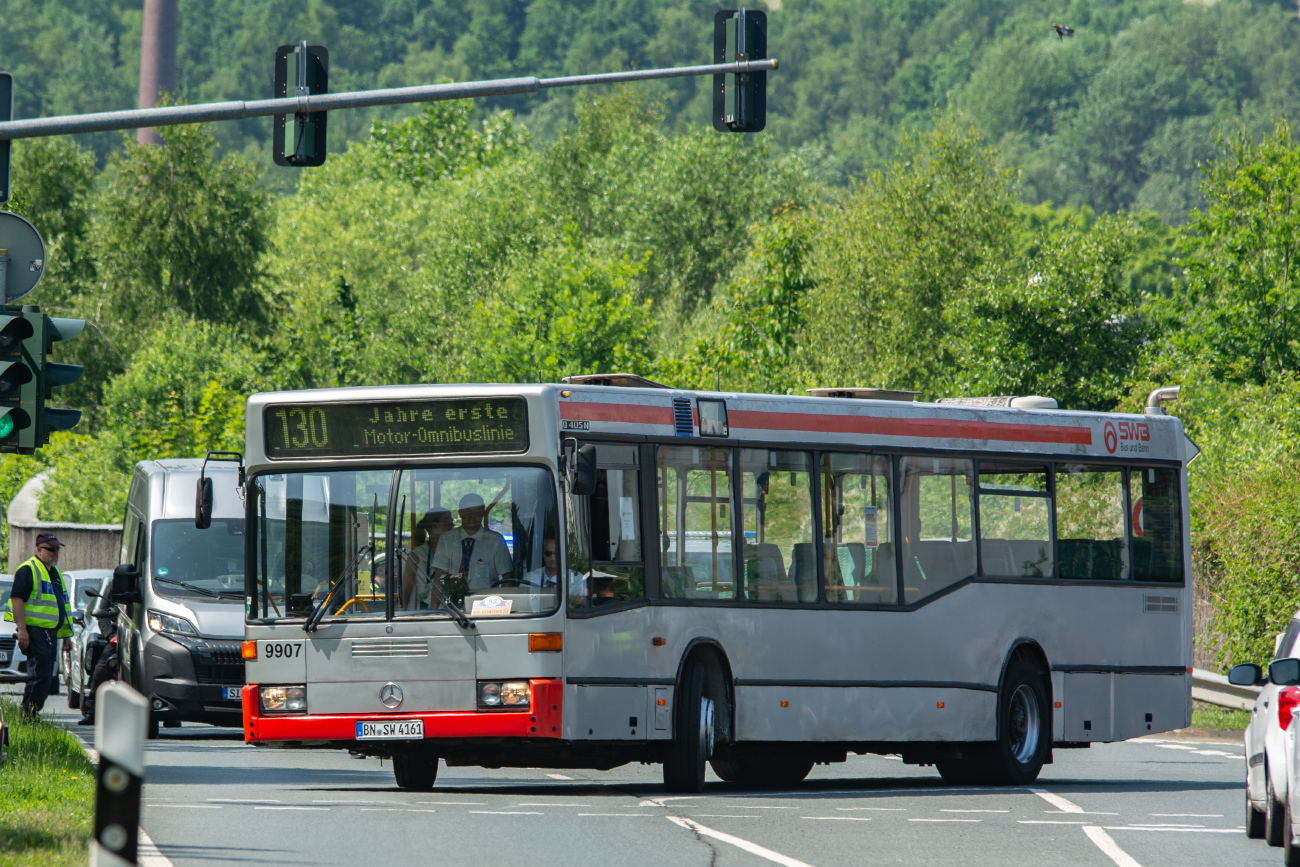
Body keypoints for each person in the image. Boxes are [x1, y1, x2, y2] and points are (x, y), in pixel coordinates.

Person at [4, 533, 72, 716]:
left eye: (57, 549)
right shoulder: (28, 569)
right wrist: (23, 631)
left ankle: (32, 714)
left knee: (46, 677)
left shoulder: (55, 573)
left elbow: (62, 606)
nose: (55, 553)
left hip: (51, 634)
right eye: (51, 549)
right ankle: (28, 715)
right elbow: (17, 599)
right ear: (39, 550)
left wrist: (66, 635)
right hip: (35, 632)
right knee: (39, 676)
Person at [430, 493, 514, 591]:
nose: (472, 516)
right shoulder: (446, 539)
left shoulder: (495, 540)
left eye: (477, 511)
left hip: (485, 602)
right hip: (453, 602)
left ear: (483, 513)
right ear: (460, 513)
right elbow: (439, 576)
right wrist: (434, 606)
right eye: (467, 511)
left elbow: (507, 578)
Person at [401, 508, 454, 609]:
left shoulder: (455, 550)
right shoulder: (417, 555)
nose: (452, 525)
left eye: (452, 521)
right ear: (434, 525)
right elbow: (405, 590)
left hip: (451, 609)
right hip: (425, 612)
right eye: (447, 521)